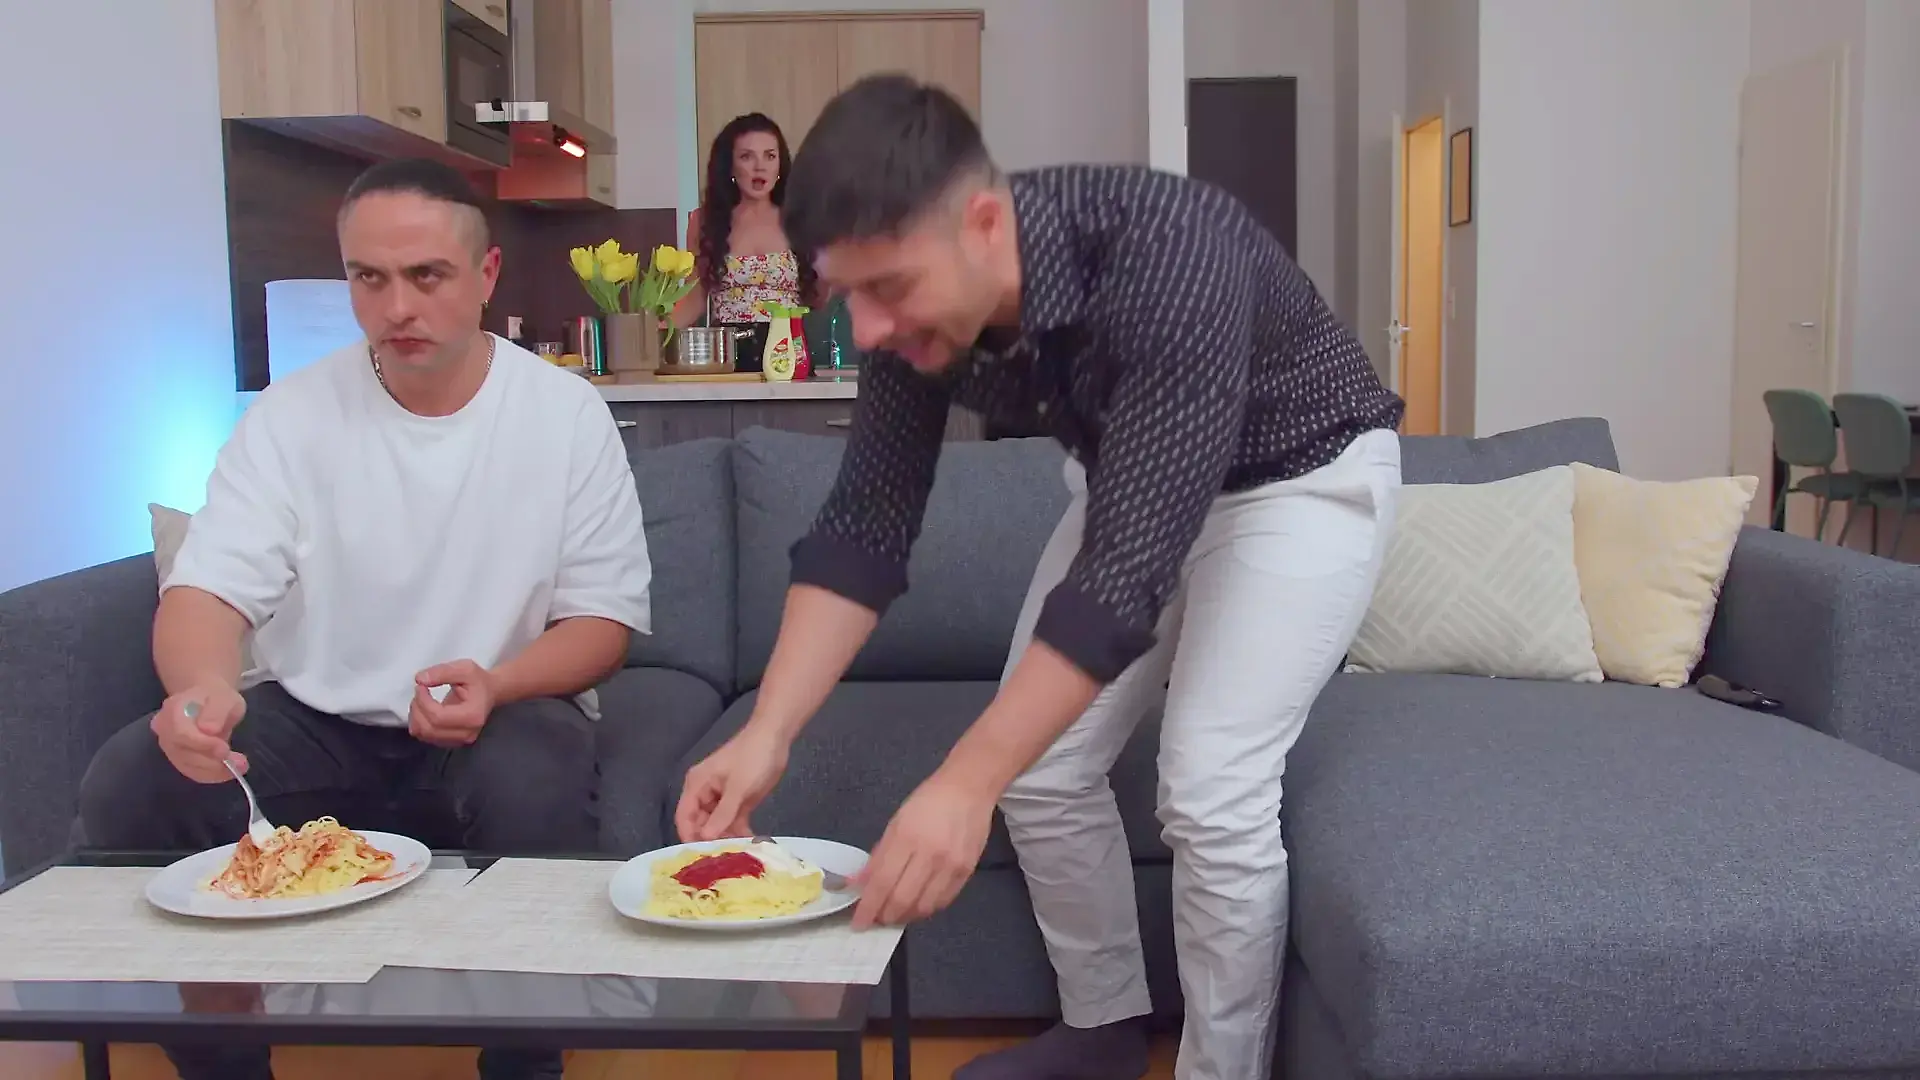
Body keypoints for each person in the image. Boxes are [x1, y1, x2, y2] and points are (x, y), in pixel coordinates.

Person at [675, 75, 1405, 1080]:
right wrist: (767, 733)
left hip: (1297, 480)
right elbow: (863, 530)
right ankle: (1104, 1030)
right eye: (850, 294)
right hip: (1129, 481)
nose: (869, 330)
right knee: (1045, 767)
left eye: (888, 290)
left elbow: (1121, 582)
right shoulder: (913, 312)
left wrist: (962, 783)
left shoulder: (1170, 253)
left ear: (984, 223)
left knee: (1209, 788)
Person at [73, 158, 653, 1080]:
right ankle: (226, 1066)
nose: (397, 308)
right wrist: (201, 691)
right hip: (317, 720)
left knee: (534, 780)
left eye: (427, 276)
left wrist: (499, 682)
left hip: (501, 710)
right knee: (131, 778)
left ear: (487, 275)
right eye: (368, 279)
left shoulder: (564, 414)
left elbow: (602, 626)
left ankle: (523, 1065)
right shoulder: (293, 416)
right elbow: (205, 593)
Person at [672, 112, 817, 369]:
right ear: (730, 166)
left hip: (788, 352)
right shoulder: (704, 221)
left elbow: (818, 297)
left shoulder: (800, 220)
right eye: (746, 156)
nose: (760, 167)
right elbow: (694, 298)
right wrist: (655, 333)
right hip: (727, 355)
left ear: (780, 165)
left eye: (769, 156)